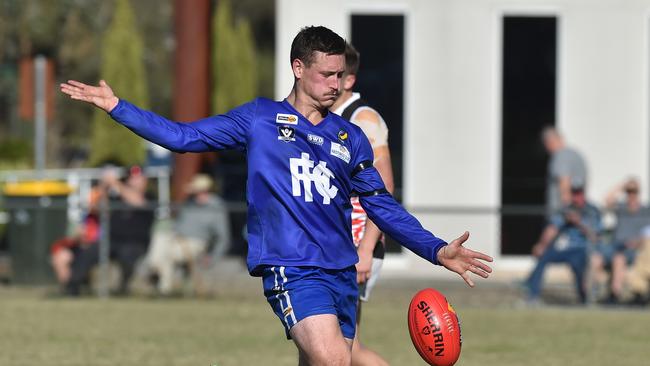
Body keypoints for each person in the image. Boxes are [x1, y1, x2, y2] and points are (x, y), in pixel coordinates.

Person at [61, 26, 493, 365]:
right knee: (333, 359)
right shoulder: (260, 119)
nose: (336, 84)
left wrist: (436, 250)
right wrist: (119, 107)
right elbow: (183, 137)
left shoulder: (351, 137)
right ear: (298, 68)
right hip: (293, 267)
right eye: (326, 74)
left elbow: (382, 204)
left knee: (324, 361)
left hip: (340, 271)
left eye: (341, 75)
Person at [330, 43, 391, 366]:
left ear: (348, 80)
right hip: (339, 241)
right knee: (328, 343)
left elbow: (384, 187)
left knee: (343, 348)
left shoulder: (362, 119)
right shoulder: (329, 117)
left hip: (358, 241)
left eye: (332, 74)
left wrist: (366, 248)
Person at [65, 165, 155, 296]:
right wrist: (104, 187)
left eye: (138, 178)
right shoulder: (117, 197)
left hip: (135, 243)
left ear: (145, 181)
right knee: (87, 252)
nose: (134, 181)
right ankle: (72, 288)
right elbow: (100, 209)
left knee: (127, 256)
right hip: (112, 241)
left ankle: (124, 289)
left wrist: (115, 182)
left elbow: (137, 202)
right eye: (132, 178)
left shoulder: (150, 196)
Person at [145, 173, 231, 295]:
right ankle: (155, 268)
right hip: (176, 238)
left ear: (206, 191)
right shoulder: (189, 203)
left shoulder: (217, 207)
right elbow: (177, 223)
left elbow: (223, 237)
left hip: (196, 243)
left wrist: (213, 256)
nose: (196, 194)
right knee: (159, 236)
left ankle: (164, 288)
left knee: (167, 254)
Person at [524, 186, 601, 304]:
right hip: (562, 249)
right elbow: (552, 229)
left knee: (580, 269)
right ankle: (532, 294)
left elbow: (595, 237)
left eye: (578, 193)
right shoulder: (565, 211)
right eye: (574, 193)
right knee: (543, 257)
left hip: (580, 250)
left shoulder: (591, 211)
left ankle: (584, 299)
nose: (576, 197)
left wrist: (579, 222)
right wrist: (541, 245)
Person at [590, 178, 649, 303]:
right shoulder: (621, 207)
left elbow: (646, 235)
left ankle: (615, 296)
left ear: (638, 192)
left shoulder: (645, 211)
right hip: (615, 246)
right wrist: (622, 186)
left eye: (634, 191)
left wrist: (636, 242)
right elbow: (606, 200)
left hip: (633, 249)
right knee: (595, 259)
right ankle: (590, 295)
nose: (631, 194)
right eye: (629, 191)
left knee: (618, 259)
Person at [541, 127, 587, 218]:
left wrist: (567, 211)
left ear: (548, 142)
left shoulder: (561, 156)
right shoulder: (574, 154)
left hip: (563, 216)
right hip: (575, 212)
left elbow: (564, 182)